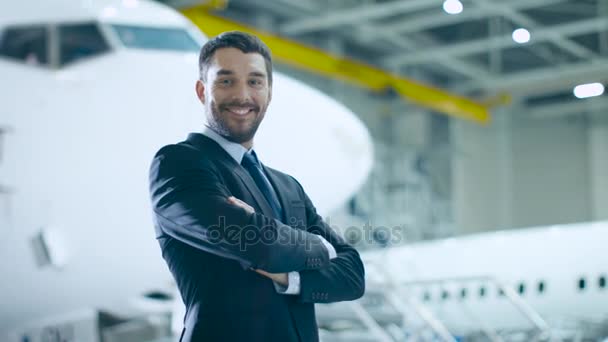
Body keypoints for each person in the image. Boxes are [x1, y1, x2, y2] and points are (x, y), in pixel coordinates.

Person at [148, 31, 365, 342]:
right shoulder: (178, 164)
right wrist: (322, 248)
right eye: (226, 81)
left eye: (255, 81)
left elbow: (353, 276)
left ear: (269, 92)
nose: (242, 95)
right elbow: (259, 244)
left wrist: (289, 276)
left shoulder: (288, 186)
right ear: (201, 90)